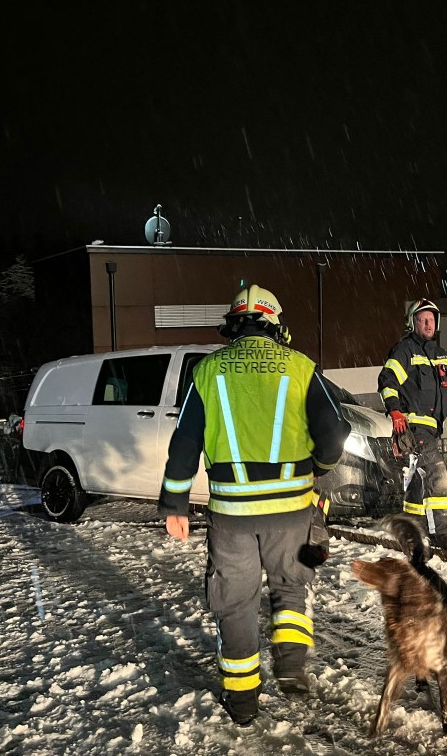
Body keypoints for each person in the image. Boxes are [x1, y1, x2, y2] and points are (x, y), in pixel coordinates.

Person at [158, 284, 350, 727]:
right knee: (290, 586)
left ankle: (243, 702)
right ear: (275, 325)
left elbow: (184, 443)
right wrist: (319, 466)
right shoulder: (300, 366)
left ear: (233, 326)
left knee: (236, 604)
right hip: (291, 509)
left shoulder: (208, 372)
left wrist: (175, 504)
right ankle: (291, 664)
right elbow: (334, 433)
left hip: (232, 516)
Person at [377, 298, 447, 550]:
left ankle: (413, 527)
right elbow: (387, 381)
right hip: (413, 427)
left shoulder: (441, 355)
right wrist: (395, 411)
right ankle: (441, 532)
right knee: (437, 474)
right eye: (422, 320)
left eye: (431, 319)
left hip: (432, 429)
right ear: (413, 323)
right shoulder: (405, 350)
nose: (428, 324)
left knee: (417, 480)